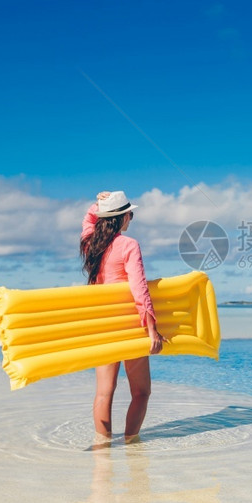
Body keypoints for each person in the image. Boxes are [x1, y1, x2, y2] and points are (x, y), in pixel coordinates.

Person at [80, 190, 165, 444]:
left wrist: (98, 204)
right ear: (122, 217)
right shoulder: (129, 245)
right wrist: (151, 328)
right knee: (141, 391)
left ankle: (102, 448)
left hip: (102, 326)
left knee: (104, 393)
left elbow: (88, 222)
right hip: (128, 326)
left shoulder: (90, 243)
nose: (132, 217)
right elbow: (140, 288)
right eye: (130, 214)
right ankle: (131, 445)